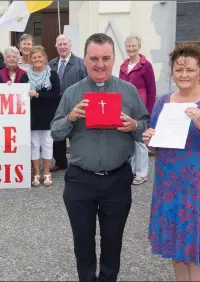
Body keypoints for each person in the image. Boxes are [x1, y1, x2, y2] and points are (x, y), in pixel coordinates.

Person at [50, 33, 149, 281]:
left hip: (116, 180)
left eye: (106, 58)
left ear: (114, 59)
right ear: (85, 60)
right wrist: (71, 117)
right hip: (81, 180)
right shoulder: (73, 93)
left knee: (113, 240)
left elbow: (146, 127)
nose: (100, 64)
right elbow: (55, 131)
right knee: (82, 241)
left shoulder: (128, 91)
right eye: (94, 58)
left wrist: (134, 126)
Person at [142, 43, 200, 282]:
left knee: (195, 249)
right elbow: (155, 146)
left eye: (190, 70)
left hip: (196, 189)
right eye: (179, 69)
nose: (184, 75)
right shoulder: (163, 103)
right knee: (177, 249)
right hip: (168, 187)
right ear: (172, 71)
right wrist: (149, 139)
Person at [119, 35, 156, 185]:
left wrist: (149, 110)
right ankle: (133, 170)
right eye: (128, 46)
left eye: (134, 46)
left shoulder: (146, 66)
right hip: (127, 107)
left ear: (139, 47)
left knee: (140, 141)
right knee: (130, 140)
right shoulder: (123, 66)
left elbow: (152, 90)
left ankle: (142, 173)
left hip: (141, 107)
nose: (131, 49)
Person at [49, 34, 88, 173]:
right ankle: (60, 162)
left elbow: (87, 83)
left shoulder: (80, 63)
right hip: (57, 104)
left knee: (75, 133)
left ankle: (78, 161)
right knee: (59, 131)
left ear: (70, 45)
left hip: (75, 103)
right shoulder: (51, 64)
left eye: (65, 44)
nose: (62, 47)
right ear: (56, 46)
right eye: (60, 44)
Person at [28, 46, 61, 187]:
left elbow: (55, 95)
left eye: (39, 57)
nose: (37, 59)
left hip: (48, 116)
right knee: (34, 145)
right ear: (30, 60)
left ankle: (46, 172)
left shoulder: (52, 75)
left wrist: (38, 94)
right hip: (32, 117)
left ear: (44, 58)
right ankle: (36, 173)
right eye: (34, 57)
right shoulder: (25, 76)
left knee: (47, 144)